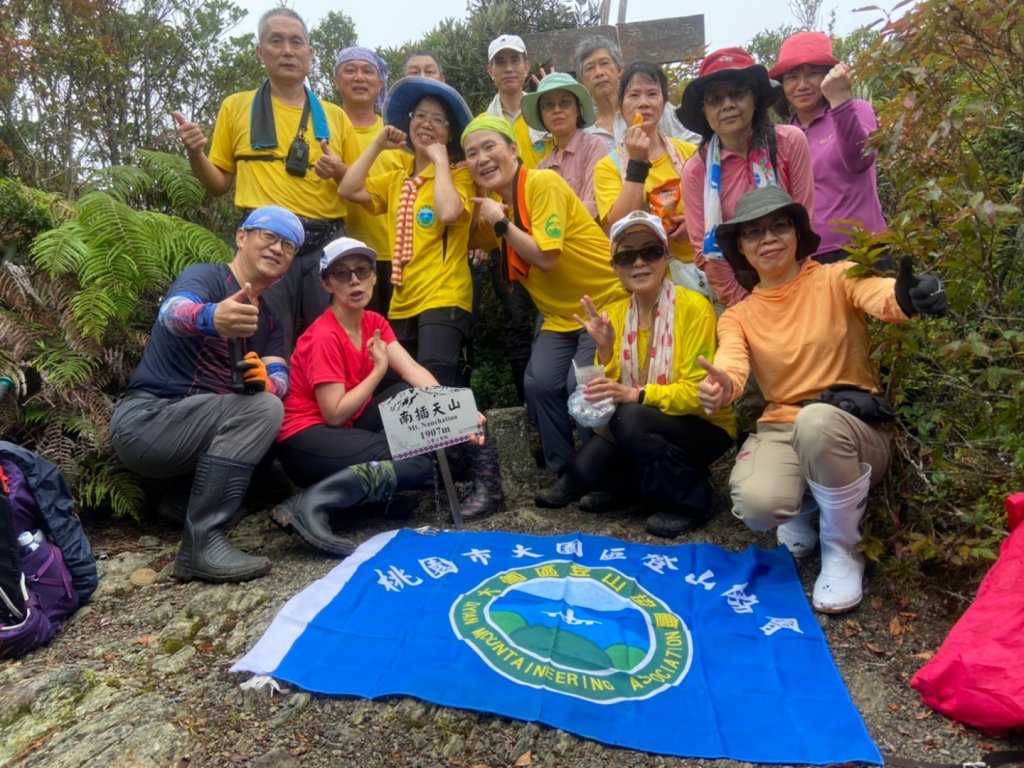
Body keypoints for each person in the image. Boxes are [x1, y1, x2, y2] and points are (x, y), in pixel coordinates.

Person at [696, 187, 947, 613]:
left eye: (779, 226)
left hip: (851, 426)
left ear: (798, 233)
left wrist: (909, 295)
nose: (768, 238)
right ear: (741, 248)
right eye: (754, 232)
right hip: (783, 427)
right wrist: (724, 386)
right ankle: (806, 503)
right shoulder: (739, 314)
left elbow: (880, 295)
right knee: (758, 507)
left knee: (816, 423)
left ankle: (843, 548)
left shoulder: (836, 277)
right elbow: (732, 363)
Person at [273, 237, 502, 555]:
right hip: (305, 440)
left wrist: (460, 411)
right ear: (327, 284)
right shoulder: (324, 335)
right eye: (343, 274)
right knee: (418, 464)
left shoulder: (374, 323)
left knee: (404, 394)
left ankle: (361, 504)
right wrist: (378, 371)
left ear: (374, 277)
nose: (355, 280)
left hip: (344, 430)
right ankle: (308, 503)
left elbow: (414, 372)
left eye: (362, 270)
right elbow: (334, 413)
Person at [110, 206, 303, 583]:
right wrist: (211, 317)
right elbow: (172, 311)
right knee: (262, 411)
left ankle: (181, 502)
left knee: (270, 407)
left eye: (289, 245)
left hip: (194, 432)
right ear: (241, 236)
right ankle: (201, 544)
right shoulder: (207, 277)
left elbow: (280, 373)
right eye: (270, 236)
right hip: (148, 421)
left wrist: (266, 380)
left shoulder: (271, 320)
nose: (278, 248)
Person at [463, 116, 626, 508]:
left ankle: (607, 478)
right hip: (558, 316)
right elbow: (464, 233)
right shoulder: (491, 205)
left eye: (490, 147)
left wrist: (499, 223)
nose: (483, 158)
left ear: (513, 150)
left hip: (602, 302)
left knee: (582, 387)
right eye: (471, 154)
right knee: (538, 384)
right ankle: (567, 473)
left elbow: (547, 257)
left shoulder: (542, 184)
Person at [171, 8, 356, 350]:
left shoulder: (334, 116)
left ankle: (330, 405)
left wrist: (340, 170)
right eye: (276, 41)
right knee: (267, 336)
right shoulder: (237, 106)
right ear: (260, 53)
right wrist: (196, 153)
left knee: (332, 340)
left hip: (324, 244)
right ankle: (267, 404)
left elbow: (357, 188)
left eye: (296, 42)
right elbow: (218, 184)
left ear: (310, 54)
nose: (287, 50)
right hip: (265, 246)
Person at [570, 211, 736, 536]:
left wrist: (637, 394)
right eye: (626, 256)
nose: (639, 263)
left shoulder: (694, 308)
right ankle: (644, 488)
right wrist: (604, 350)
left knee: (630, 418)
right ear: (614, 267)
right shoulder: (615, 314)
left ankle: (690, 501)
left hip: (703, 424)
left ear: (666, 255)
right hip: (642, 419)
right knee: (585, 469)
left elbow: (697, 394)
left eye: (650, 251)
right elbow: (595, 403)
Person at [339, 77, 475, 388]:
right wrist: (377, 145)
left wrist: (441, 162)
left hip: (444, 297)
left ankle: (467, 439)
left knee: (438, 383)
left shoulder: (460, 176)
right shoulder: (396, 179)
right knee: (399, 387)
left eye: (438, 119)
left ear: (450, 132)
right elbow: (349, 188)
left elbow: (449, 212)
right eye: (420, 116)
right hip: (402, 301)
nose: (427, 124)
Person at [677, 47, 815, 308]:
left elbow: (804, 222)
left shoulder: (789, 143)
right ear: (704, 111)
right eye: (715, 99)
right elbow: (707, 254)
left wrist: (790, 291)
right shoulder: (697, 170)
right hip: (736, 292)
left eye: (737, 93)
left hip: (797, 280)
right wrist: (748, 306)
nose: (728, 105)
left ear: (755, 98)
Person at [769, 31, 887, 263]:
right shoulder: (781, 137)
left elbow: (859, 160)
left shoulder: (857, 110)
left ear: (828, 76)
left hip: (865, 248)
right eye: (792, 77)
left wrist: (839, 102)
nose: (802, 85)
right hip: (809, 257)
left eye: (812, 74)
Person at [594, 61, 706, 299]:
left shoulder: (689, 153)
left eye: (652, 94)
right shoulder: (607, 167)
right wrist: (636, 164)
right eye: (634, 95)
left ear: (664, 103)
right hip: (646, 285)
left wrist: (694, 225)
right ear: (621, 105)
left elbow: (713, 205)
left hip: (701, 272)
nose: (643, 102)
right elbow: (618, 226)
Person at [333, 46, 406, 315]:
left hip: (399, 256)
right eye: (350, 70)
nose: (359, 77)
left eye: (368, 71)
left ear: (380, 82)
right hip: (346, 259)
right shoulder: (326, 127)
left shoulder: (396, 131)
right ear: (336, 81)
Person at [575, 35, 700, 150]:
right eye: (589, 68)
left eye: (604, 63)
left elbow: (695, 144)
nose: (599, 73)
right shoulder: (586, 132)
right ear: (582, 82)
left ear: (619, 70)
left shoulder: (652, 107)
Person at [521, 72, 608, 219]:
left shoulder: (594, 146)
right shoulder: (542, 167)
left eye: (565, 102)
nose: (557, 110)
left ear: (578, 110)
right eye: (548, 105)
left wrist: (551, 224)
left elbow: (592, 207)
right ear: (541, 115)